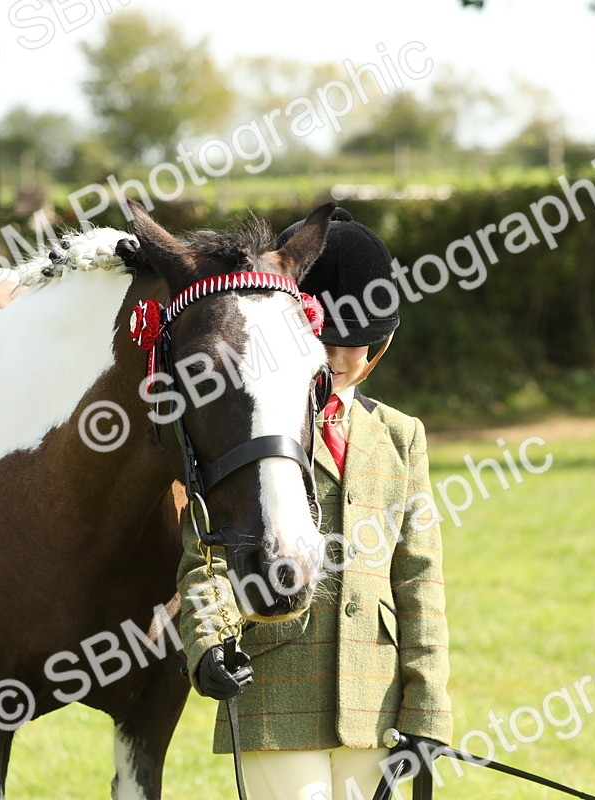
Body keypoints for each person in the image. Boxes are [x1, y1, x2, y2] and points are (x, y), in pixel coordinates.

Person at [177, 208, 453, 800]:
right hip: (277, 692)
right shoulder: (244, 430)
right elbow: (202, 554)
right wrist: (205, 644)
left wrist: (427, 715)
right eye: (328, 339)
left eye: (360, 343)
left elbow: (420, 579)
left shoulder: (402, 437)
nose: (344, 357)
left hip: (373, 700)